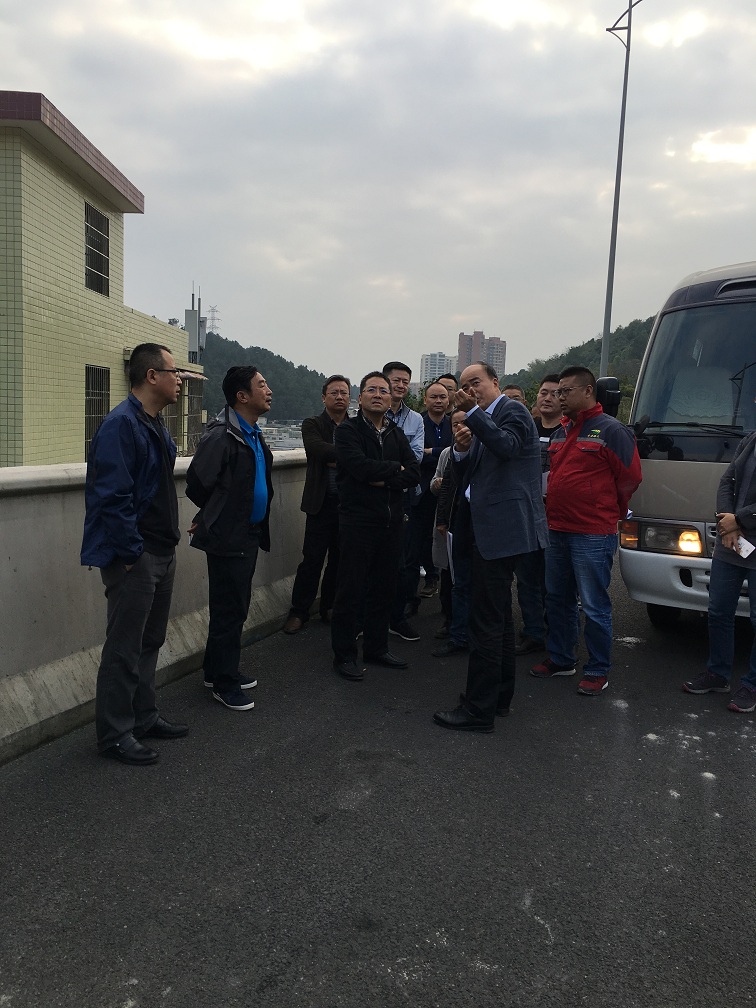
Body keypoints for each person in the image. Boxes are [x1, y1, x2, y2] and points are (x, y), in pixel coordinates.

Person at [81, 343, 188, 766]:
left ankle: (143, 717)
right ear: (151, 376)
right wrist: (130, 553)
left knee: (149, 641)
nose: (180, 380)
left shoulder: (155, 423)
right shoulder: (120, 425)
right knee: (124, 648)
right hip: (136, 556)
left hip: (162, 548)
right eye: (174, 372)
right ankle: (114, 734)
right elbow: (112, 496)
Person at [433, 363, 548, 732]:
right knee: (498, 619)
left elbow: (508, 447)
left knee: (484, 621)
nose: (470, 391)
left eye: (476, 383)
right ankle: (497, 698)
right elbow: (471, 476)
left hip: (503, 530)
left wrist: (472, 413)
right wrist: (461, 451)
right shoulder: (483, 420)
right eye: (464, 386)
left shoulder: (511, 411)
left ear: (495, 383)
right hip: (484, 527)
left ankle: (477, 711)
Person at [531, 366, 642, 695]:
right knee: (558, 598)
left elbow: (630, 478)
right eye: (556, 392)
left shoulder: (611, 430)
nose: (559, 398)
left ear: (588, 391)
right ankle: (562, 658)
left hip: (592, 532)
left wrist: (607, 509)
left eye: (565, 391)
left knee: (593, 604)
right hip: (557, 528)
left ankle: (597, 669)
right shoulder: (562, 431)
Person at [186, 366, 274, 711]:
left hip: (247, 533)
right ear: (242, 396)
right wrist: (214, 514)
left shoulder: (251, 432)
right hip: (229, 535)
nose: (268, 390)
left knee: (233, 607)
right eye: (261, 385)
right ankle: (224, 683)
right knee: (229, 610)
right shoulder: (222, 435)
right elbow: (197, 484)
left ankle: (216, 671)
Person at [331, 372, 420, 681]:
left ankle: (376, 648)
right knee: (350, 590)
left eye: (384, 390)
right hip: (358, 522)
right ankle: (344, 655)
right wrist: (395, 469)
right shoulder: (348, 431)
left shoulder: (395, 432)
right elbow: (358, 468)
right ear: (361, 398)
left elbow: (414, 473)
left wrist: (384, 479)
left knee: (384, 588)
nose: (379, 394)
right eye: (372, 389)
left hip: (391, 522)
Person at [683, 428, 756, 712]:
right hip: (732, 543)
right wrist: (727, 522)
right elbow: (727, 481)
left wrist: (739, 519)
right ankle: (718, 674)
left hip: (743, 532)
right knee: (718, 611)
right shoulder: (750, 439)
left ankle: (751, 685)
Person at [283, 375, 351, 634]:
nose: (339, 397)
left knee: (339, 559)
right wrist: (350, 457)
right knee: (312, 559)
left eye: (344, 393)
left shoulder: (356, 426)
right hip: (320, 504)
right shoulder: (313, 424)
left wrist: (337, 458)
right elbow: (317, 450)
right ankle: (299, 611)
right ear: (324, 397)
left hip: (347, 505)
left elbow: (337, 455)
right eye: (334, 393)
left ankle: (329, 607)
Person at [514, 374, 562, 655]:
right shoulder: (526, 428)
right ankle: (533, 631)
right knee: (527, 578)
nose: (547, 398)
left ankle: (555, 631)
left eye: (555, 393)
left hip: (558, 517)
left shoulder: (569, 432)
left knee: (554, 580)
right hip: (527, 515)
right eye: (543, 392)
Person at [383, 361, 425, 642]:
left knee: (404, 560)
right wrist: (394, 466)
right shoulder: (369, 414)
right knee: (372, 559)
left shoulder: (415, 419)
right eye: (395, 380)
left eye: (405, 381)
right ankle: (368, 618)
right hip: (373, 497)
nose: (400, 385)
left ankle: (396, 618)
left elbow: (417, 456)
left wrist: (385, 468)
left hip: (405, 497)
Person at [431, 407, 472, 656]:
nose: (460, 428)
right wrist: (443, 519)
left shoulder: (486, 447)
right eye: (455, 424)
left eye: (465, 422)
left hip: (482, 525)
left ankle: (473, 632)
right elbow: (444, 487)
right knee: (455, 581)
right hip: (455, 524)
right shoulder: (449, 453)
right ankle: (456, 631)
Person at [409, 381, 452, 600]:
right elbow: (415, 455)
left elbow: (456, 452)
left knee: (447, 535)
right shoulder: (418, 423)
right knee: (422, 536)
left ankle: (447, 583)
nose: (438, 401)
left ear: (448, 400)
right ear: (425, 400)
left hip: (450, 490)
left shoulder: (455, 423)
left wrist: (431, 451)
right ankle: (430, 578)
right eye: (433, 397)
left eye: (442, 397)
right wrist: (439, 454)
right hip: (423, 489)